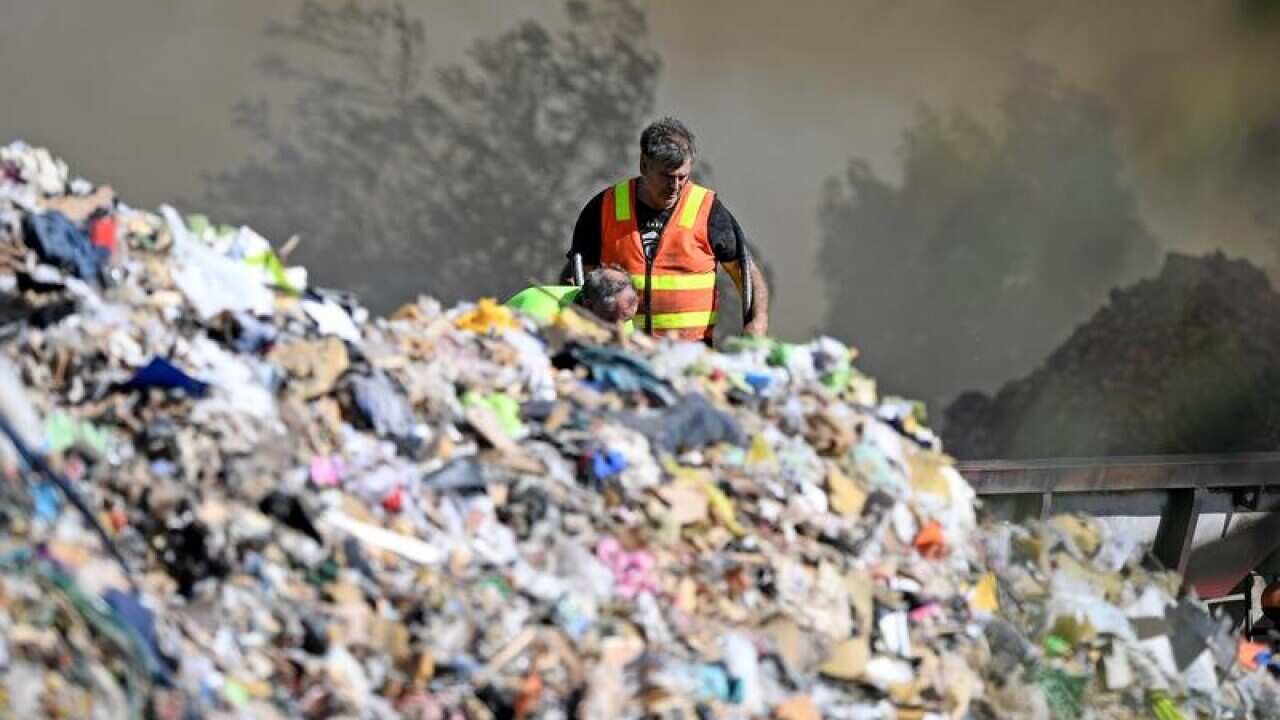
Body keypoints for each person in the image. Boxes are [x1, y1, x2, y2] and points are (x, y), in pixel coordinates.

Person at [562, 117, 770, 343]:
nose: (675, 186)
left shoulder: (708, 210)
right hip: (621, 350)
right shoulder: (603, 208)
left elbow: (747, 273)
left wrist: (756, 323)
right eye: (667, 177)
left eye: (683, 177)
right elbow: (580, 280)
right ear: (643, 164)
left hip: (689, 355)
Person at [506, 265, 639, 329]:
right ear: (588, 305)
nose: (617, 329)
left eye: (626, 319)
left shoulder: (620, 318)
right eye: (610, 319)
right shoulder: (538, 309)